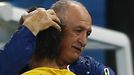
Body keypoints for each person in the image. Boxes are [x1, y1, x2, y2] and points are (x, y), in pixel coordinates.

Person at [0, 0, 115, 75]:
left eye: (87, 34)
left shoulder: (88, 69)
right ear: (57, 28)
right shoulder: (21, 62)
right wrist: (28, 29)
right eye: (78, 31)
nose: (83, 41)